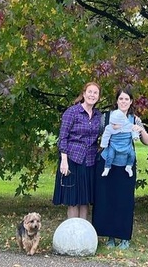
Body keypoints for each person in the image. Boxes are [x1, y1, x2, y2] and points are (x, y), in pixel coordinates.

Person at [92, 87, 148, 250]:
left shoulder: (134, 119)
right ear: (116, 101)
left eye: (126, 99)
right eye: (121, 99)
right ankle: (110, 236)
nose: (123, 101)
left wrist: (141, 130)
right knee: (108, 200)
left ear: (131, 102)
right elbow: (96, 136)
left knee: (124, 201)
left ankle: (124, 237)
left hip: (126, 166)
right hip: (107, 164)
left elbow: (147, 141)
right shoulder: (106, 118)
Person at [52, 81, 102, 220]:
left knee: (85, 200)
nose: (92, 95)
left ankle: (83, 232)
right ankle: (73, 231)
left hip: (90, 161)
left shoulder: (98, 116)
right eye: (90, 92)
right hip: (73, 160)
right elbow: (63, 137)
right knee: (73, 200)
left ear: (98, 97)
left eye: (95, 93)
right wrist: (64, 161)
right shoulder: (72, 112)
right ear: (84, 93)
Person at [99, 109, 137, 177]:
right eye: (112, 123)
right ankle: (107, 168)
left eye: (115, 124)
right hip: (113, 146)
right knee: (110, 155)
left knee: (132, 154)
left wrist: (135, 136)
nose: (113, 126)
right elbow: (105, 136)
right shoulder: (110, 127)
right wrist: (104, 145)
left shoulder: (128, 125)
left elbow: (134, 129)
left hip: (126, 146)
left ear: (121, 122)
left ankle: (129, 166)